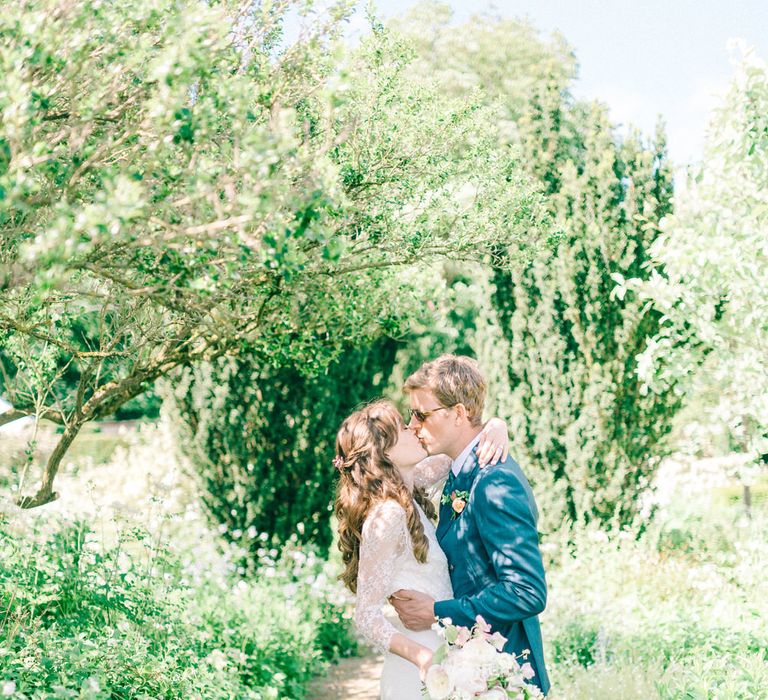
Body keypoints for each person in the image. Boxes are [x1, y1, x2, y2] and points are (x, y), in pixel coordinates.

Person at [389, 354, 550, 695]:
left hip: (503, 673)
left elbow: (526, 592)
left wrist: (437, 612)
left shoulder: (494, 482)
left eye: (421, 414)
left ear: (459, 413)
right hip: (468, 671)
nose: (413, 424)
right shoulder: (457, 470)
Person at [334, 399, 509, 699]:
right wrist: (422, 658)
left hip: (446, 651)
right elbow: (366, 615)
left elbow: (458, 451)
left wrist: (495, 426)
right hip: (418, 667)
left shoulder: (409, 487)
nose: (414, 429)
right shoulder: (387, 515)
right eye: (403, 428)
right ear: (385, 452)